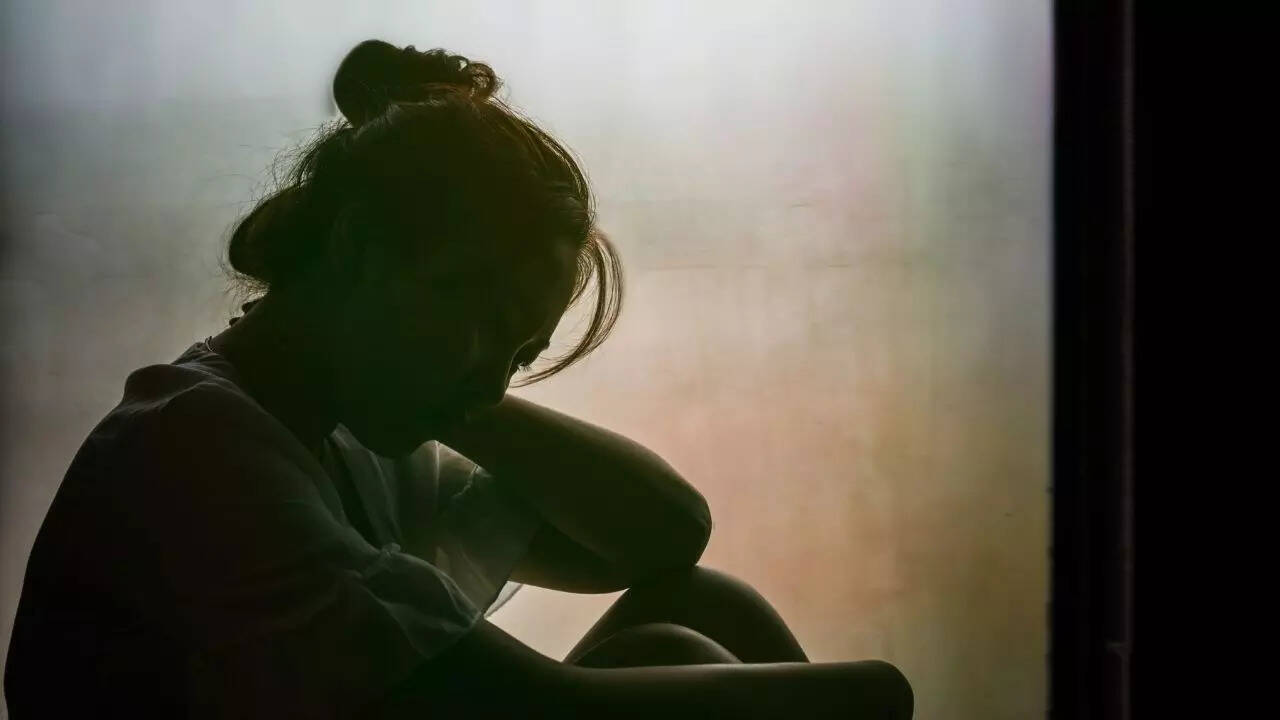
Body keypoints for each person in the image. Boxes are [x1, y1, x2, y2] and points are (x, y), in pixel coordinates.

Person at [4, 39, 913, 719]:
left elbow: (664, 540)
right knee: (698, 655)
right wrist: (876, 695)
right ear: (360, 250)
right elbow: (540, 708)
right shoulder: (195, 447)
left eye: (519, 354)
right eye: (475, 319)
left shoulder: (343, 428)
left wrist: (464, 395)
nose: (491, 376)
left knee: (699, 612)